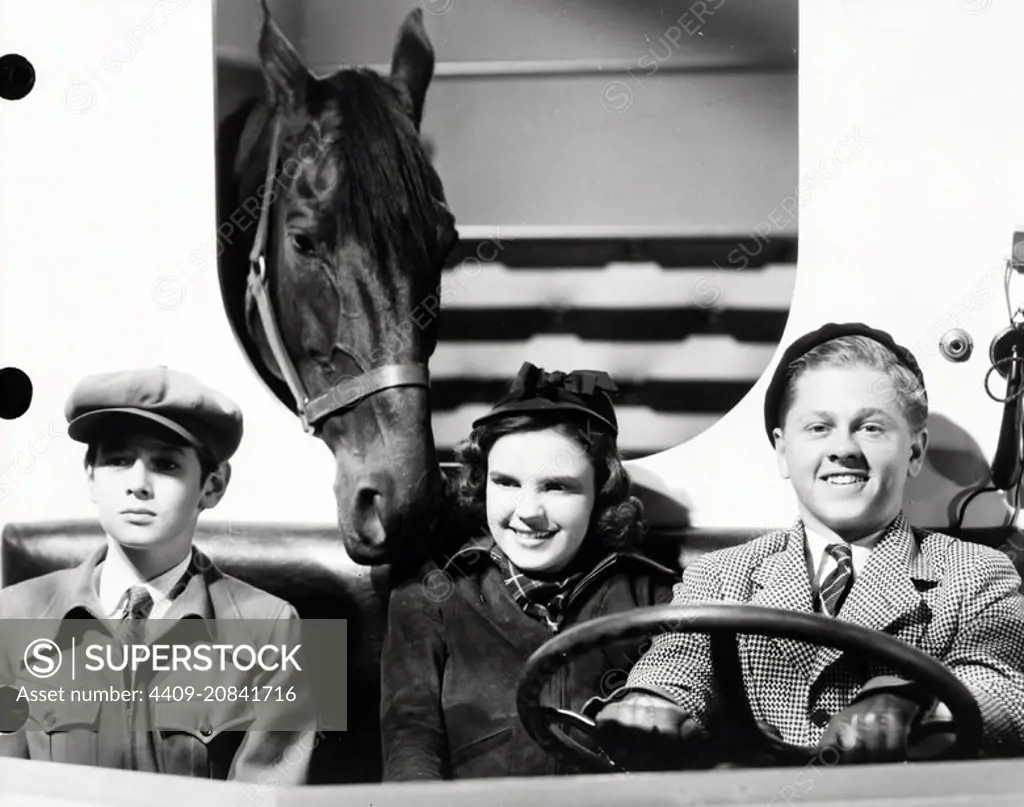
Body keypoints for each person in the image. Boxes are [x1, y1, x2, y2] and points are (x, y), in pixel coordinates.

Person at [591, 323, 1024, 767]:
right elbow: (677, 664)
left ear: (914, 453)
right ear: (782, 451)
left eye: (871, 428)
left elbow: (1001, 684)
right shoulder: (720, 574)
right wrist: (651, 701)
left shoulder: (976, 571)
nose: (843, 448)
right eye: (818, 427)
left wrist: (917, 702)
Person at [0, 366, 318, 781]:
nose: (138, 484)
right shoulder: (13, 617)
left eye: (166, 465)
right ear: (91, 477)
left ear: (213, 486)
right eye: (117, 460)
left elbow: (266, 798)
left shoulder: (274, 628)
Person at [379, 361, 680, 780]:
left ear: (601, 491)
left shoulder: (655, 597)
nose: (528, 513)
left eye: (557, 486)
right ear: (481, 482)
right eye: (505, 483)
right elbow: (411, 743)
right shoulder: (430, 597)